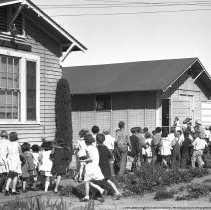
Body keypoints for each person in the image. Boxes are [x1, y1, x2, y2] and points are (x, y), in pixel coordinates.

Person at [79, 134, 106, 202]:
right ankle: (101, 190)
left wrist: (83, 160)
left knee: (86, 181)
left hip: (90, 166)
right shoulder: (94, 147)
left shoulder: (88, 148)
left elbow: (90, 158)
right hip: (95, 166)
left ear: (86, 141)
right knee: (89, 181)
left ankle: (87, 197)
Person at [96, 133, 122, 200]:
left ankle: (101, 195)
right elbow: (110, 156)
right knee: (108, 180)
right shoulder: (105, 147)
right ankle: (117, 192)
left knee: (95, 181)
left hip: (99, 167)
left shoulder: (96, 148)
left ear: (97, 140)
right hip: (106, 167)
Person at [5, 132, 22, 196]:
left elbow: (7, 153)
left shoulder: (8, 144)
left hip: (9, 159)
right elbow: (20, 153)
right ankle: (13, 189)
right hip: (16, 159)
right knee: (15, 175)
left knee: (10, 175)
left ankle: (7, 188)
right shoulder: (18, 144)